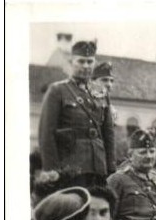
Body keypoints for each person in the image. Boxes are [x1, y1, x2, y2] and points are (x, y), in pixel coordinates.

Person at [38, 40, 115, 186]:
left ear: (94, 62)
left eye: (89, 61)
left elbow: (108, 133)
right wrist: (52, 170)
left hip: (98, 165)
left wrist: (110, 166)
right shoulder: (58, 90)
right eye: (81, 61)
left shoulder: (101, 92)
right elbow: (46, 133)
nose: (85, 66)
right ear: (71, 62)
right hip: (70, 166)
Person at [107, 129, 156, 220]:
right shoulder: (117, 180)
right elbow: (108, 219)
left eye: (152, 151)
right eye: (143, 152)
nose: (149, 156)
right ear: (130, 155)